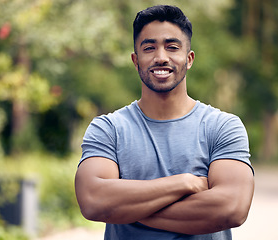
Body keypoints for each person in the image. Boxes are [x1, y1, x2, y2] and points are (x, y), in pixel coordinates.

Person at [75, 5, 254, 240]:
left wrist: (128, 208)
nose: (161, 57)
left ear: (189, 59)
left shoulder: (222, 127)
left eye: (172, 47)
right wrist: (185, 183)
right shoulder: (108, 129)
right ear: (135, 60)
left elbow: (232, 208)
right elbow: (93, 201)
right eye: (149, 48)